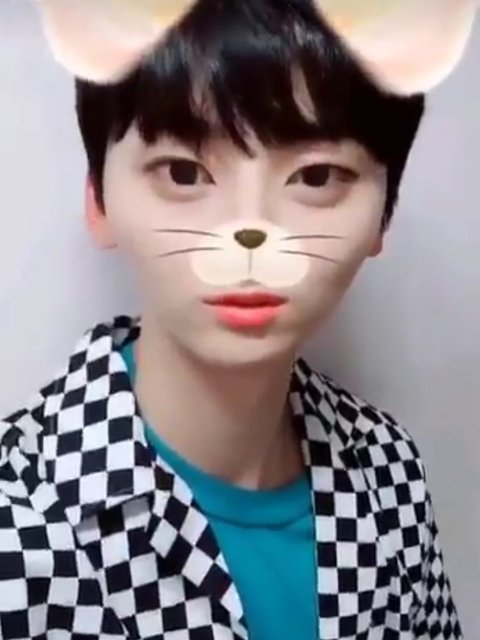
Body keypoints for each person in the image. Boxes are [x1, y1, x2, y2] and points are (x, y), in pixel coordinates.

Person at [0, 1, 476, 638]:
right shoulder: (18, 523)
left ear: (383, 213)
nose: (250, 231)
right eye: (184, 172)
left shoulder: (390, 469)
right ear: (99, 199)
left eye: (316, 176)